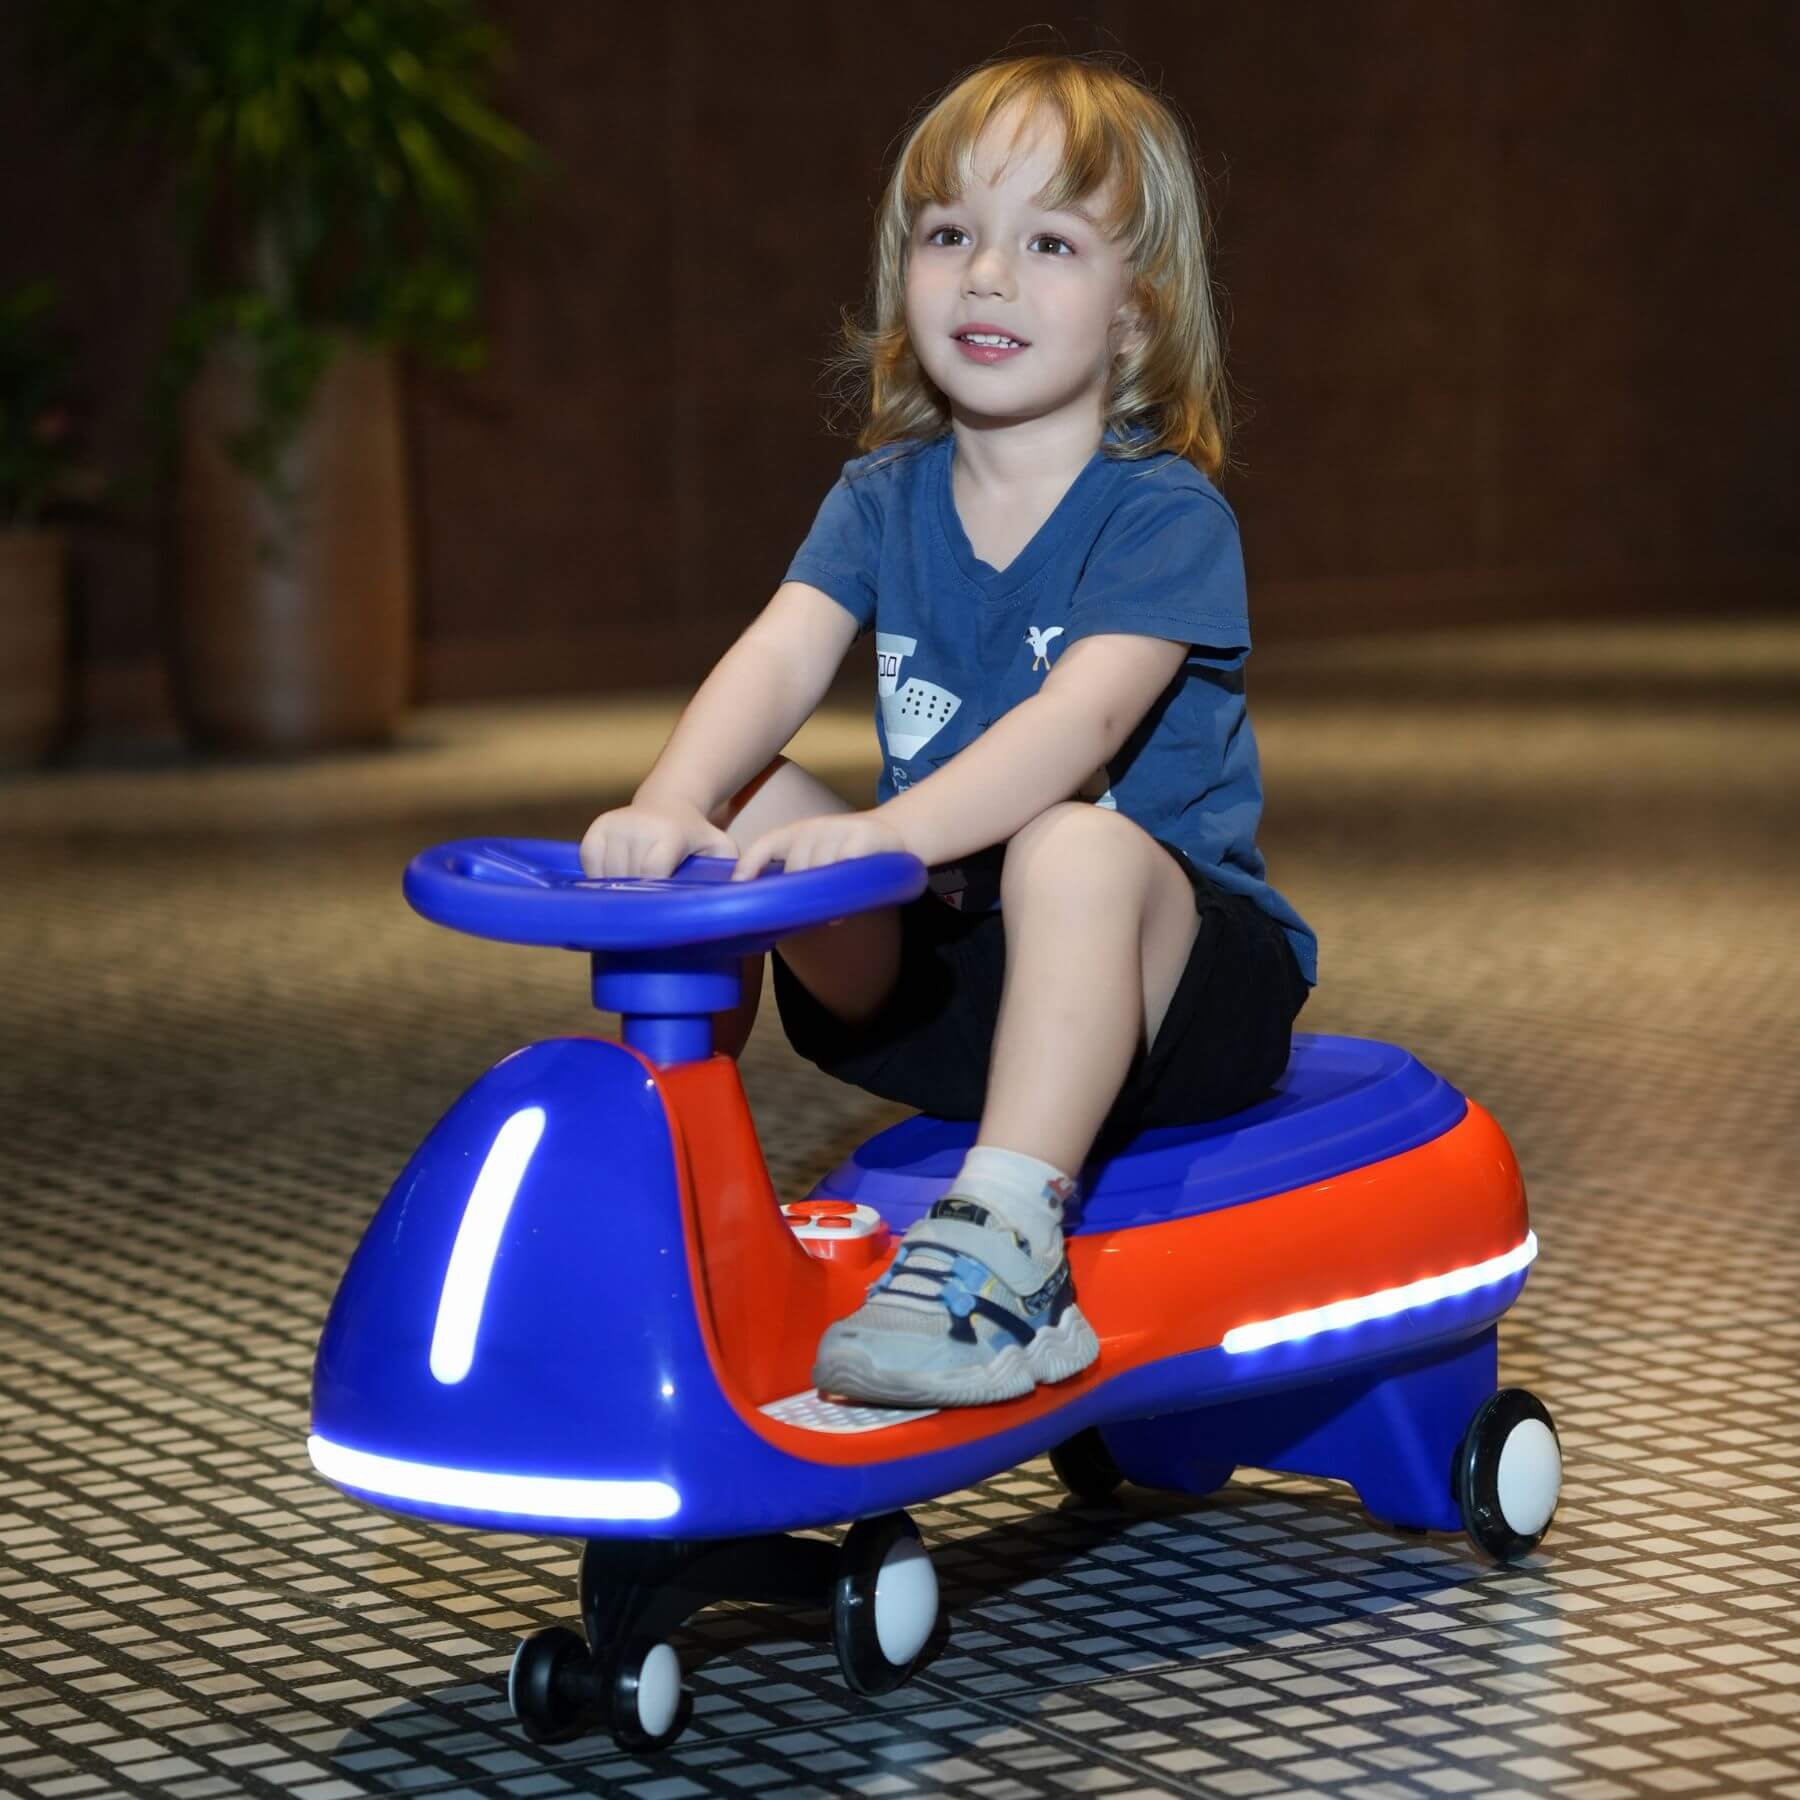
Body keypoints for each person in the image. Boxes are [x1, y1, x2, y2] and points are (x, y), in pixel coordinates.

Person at [579, 52, 1317, 1410]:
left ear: (1138, 320)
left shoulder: (1160, 516)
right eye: (950, 235)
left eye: (1048, 241)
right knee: (751, 806)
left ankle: (1009, 1255)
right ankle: (667, 1182)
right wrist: (676, 801)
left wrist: (895, 833)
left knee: (1066, 845)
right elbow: (781, 649)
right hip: (946, 985)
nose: (987, 275)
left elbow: (1080, 721)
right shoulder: (882, 495)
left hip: (1172, 989)